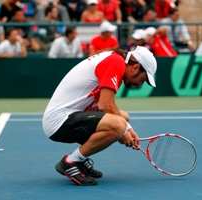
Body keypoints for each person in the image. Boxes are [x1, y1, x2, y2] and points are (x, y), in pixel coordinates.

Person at [42, 45, 157, 186]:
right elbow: (105, 105)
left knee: (124, 118)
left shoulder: (115, 60)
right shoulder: (116, 62)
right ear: (135, 67)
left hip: (70, 116)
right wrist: (124, 130)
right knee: (119, 124)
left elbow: (105, 108)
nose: (140, 84)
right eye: (143, 79)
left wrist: (126, 128)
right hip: (60, 120)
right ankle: (71, 162)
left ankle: (80, 160)